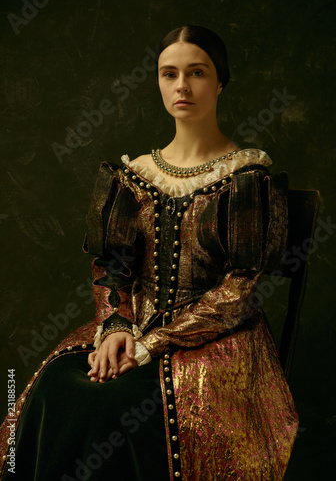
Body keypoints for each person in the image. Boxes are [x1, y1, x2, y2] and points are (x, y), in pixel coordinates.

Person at [0, 24, 298, 480]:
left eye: (196, 73)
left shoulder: (246, 179)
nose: (181, 86)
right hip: (132, 325)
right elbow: (113, 268)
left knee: (124, 401)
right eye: (169, 73)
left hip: (216, 340)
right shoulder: (136, 175)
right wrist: (116, 328)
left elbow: (239, 291)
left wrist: (151, 344)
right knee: (60, 384)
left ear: (220, 82)